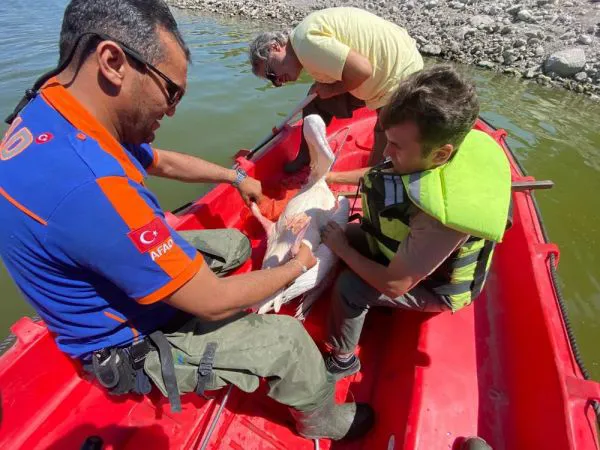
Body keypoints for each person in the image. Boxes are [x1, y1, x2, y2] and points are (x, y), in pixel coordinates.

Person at [0, 0, 373, 440]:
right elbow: (213, 301)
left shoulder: (56, 109)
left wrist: (236, 177)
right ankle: (321, 419)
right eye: (171, 92)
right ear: (113, 61)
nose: (172, 110)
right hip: (125, 342)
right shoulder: (95, 190)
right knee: (288, 341)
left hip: (109, 275)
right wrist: (300, 264)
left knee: (235, 246)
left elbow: (161, 161)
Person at [319, 66, 512, 379]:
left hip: (434, 288)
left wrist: (343, 250)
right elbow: (381, 172)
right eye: (388, 139)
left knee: (350, 287)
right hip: (402, 247)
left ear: (441, 155)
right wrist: (331, 177)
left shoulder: (440, 220)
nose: (386, 150)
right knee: (335, 232)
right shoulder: (418, 155)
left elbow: (394, 286)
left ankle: (343, 360)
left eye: (396, 145)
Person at [249, 7, 423, 172]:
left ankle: (371, 178)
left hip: (399, 73)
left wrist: (332, 90)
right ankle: (306, 156)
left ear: (275, 47)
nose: (278, 81)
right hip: (379, 71)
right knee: (315, 102)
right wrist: (327, 87)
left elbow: (362, 70)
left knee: (384, 133)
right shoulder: (302, 44)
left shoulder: (306, 44)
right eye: (272, 81)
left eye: (271, 73)